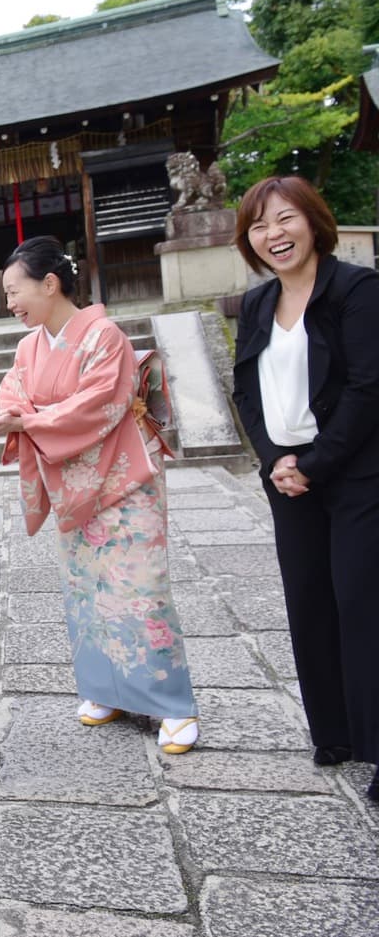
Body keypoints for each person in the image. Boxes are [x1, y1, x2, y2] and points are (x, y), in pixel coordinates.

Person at [0, 235, 199, 754]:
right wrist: (13, 416)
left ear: (50, 284)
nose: (9, 304)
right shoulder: (30, 346)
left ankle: (172, 705)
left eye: (13, 292)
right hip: (73, 478)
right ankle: (107, 688)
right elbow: (14, 390)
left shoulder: (104, 335)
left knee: (139, 588)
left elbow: (99, 406)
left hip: (122, 476)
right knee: (86, 587)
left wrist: (31, 420)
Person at [230, 175, 379, 802]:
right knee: (309, 601)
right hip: (287, 478)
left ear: (314, 222)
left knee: (363, 603)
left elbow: (369, 388)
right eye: (260, 226)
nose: (274, 235)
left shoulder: (356, 290)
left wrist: (314, 462)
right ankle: (335, 731)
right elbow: (244, 390)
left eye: (285, 219)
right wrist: (274, 460)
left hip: (357, 473)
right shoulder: (258, 305)